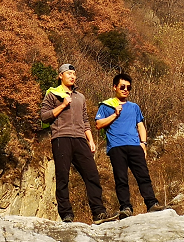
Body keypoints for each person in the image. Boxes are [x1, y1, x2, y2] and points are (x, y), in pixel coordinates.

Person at [40, 64, 117, 224]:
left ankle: (99, 213)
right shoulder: (52, 94)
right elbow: (44, 117)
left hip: (80, 139)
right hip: (61, 138)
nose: (72, 76)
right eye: (69, 73)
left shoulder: (80, 97)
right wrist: (62, 105)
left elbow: (85, 120)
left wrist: (90, 139)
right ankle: (66, 215)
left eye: (74, 73)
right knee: (63, 177)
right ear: (60, 75)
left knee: (92, 174)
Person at [95, 73, 164, 219]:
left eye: (129, 87)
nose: (126, 90)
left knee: (143, 176)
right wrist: (115, 114)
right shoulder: (106, 105)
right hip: (116, 147)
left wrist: (144, 144)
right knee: (121, 179)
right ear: (115, 87)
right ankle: (125, 207)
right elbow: (98, 124)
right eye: (122, 87)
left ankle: (151, 203)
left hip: (134, 146)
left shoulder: (134, 107)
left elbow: (140, 125)